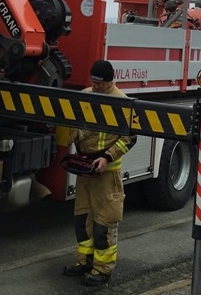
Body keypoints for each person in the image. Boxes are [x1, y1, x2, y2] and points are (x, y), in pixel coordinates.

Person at [62, 60, 135, 287]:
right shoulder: (86, 95)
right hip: (85, 170)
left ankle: (102, 269)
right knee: (82, 220)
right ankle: (84, 261)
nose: (95, 86)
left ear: (110, 81)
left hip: (107, 175)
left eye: (100, 83)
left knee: (104, 224)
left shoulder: (122, 102)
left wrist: (107, 157)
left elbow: (129, 137)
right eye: (93, 81)